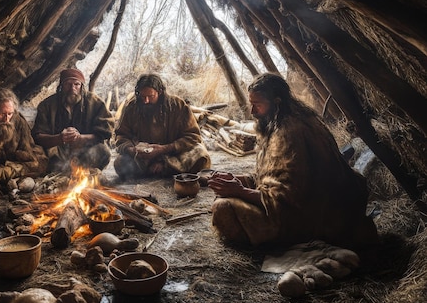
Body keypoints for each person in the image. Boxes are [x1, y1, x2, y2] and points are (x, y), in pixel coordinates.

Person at [209, 73, 377, 249]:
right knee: (225, 189)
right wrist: (242, 181)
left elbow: (287, 199)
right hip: (311, 207)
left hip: (312, 218)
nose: (252, 112)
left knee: (222, 208)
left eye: (257, 105)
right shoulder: (291, 120)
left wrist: (240, 190)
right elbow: (276, 176)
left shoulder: (289, 133)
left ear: (277, 102)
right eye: (251, 105)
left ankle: (277, 245)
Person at [114, 73, 211, 180]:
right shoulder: (132, 107)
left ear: (160, 92)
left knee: (201, 155)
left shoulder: (178, 105)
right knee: (120, 163)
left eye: (151, 96)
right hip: (144, 158)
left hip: (174, 155)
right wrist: (131, 149)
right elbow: (121, 135)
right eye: (142, 97)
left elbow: (193, 136)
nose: (146, 101)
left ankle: (163, 168)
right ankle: (167, 171)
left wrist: (164, 149)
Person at [32, 68, 114, 173]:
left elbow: (106, 132)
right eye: (68, 84)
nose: (72, 88)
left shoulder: (95, 102)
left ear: (82, 86)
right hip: (57, 151)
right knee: (37, 155)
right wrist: (60, 138)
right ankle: (66, 171)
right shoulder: (47, 105)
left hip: (84, 151)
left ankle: (79, 171)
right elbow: (37, 137)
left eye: (76, 84)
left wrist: (81, 139)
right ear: (61, 86)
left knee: (103, 152)